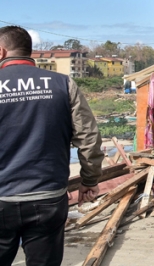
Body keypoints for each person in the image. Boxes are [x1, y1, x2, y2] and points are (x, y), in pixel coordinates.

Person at [0, 26, 103, 266]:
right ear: (30, 52)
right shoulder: (63, 84)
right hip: (48, 199)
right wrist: (89, 181)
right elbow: (88, 137)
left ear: (1, 51)